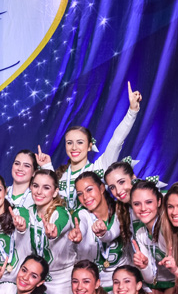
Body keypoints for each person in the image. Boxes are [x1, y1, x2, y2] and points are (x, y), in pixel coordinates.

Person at [55, 82, 142, 211]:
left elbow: (116, 141)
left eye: (80, 142)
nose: (74, 147)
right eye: (69, 143)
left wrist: (132, 111)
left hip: (98, 230)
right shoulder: (59, 175)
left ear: (90, 146)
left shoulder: (100, 167)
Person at [14, 170, 74, 294]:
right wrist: (21, 229)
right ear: (30, 187)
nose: (39, 192)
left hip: (60, 280)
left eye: (46, 188)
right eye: (35, 186)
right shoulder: (27, 212)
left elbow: (60, 223)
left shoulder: (61, 213)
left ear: (55, 191)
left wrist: (54, 231)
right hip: (35, 279)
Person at [69, 171, 128, 288]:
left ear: (101, 188)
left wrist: (103, 233)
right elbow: (82, 224)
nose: (85, 197)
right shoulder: (81, 214)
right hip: (92, 285)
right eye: (80, 194)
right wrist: (78, 234)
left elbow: (112, 233)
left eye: (89, 189)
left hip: (121, 283)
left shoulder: (121, 209)